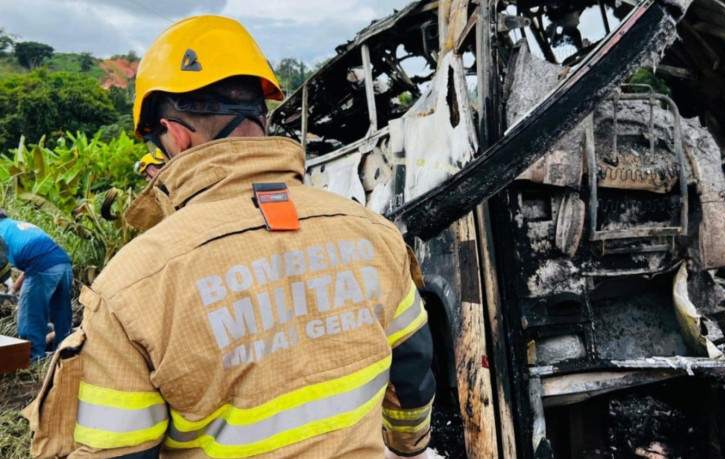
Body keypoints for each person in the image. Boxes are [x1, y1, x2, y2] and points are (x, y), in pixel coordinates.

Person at [25, 15, 435, 459]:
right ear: (261, 117)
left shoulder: (130, 289)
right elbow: (412, 369)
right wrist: (408, 445)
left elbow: (115, 451)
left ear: (174, 135)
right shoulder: (374, 234)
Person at [0, 208, 73, 359]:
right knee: (61, 314)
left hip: (41, 266)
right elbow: (34, 260)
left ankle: (35, 359)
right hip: (63, 264)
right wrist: (13, 290)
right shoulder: (18, 226)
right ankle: (64, 355)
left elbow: (2, 264)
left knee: (30, 316)